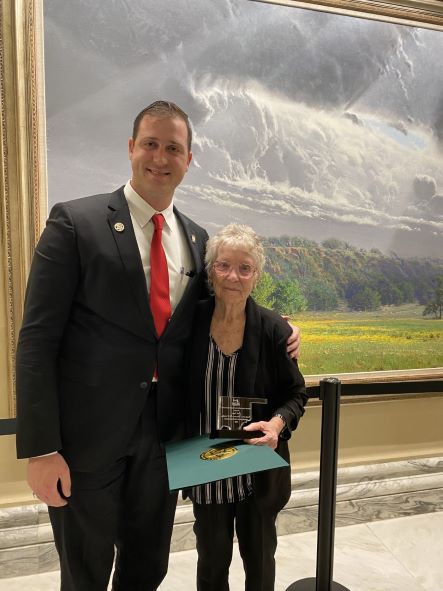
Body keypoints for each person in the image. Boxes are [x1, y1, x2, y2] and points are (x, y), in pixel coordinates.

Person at [15, 101, 301, 591]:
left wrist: (279, 327)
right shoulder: (75, 223)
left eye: (174, 148)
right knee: (84, 572)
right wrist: (41, 449)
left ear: (189, 160)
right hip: (86, 440)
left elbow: (222, 305)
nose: (160, 157)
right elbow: (37, 340)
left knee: (148, 565)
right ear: (131, 148)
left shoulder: (196, 238)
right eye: (150, 143)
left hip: (165, 435)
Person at [186, 224, 308, 591]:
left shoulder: (274, 330)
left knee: (259, 560)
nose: (233, 277)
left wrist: (275, 425)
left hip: (255, 466)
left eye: (244, 268)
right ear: (210, 271)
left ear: (256, 275)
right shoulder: (189, 323)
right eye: (223, 265)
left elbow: (296, 394)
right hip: (205, 462)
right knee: (211, 560)